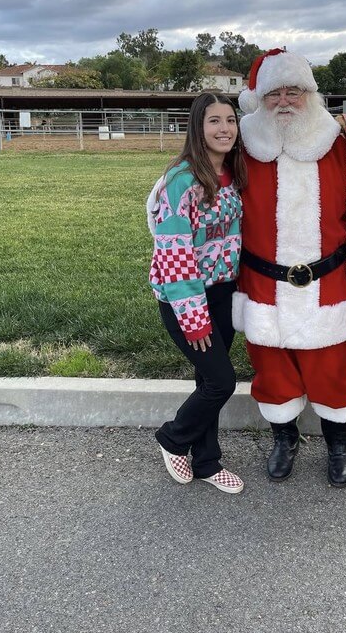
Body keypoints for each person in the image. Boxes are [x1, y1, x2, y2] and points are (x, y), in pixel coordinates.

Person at [234, 49, 346, 487]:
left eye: (294, 92)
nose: (284, 101)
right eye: (274, 93)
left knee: (334, 370)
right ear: (259, 99)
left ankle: (338, 444)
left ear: (310, 93)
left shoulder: (340, 141)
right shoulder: (242, 142)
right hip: (263, 282)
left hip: (329, 282)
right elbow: (204, 177)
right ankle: (284, 438)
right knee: (273, 368)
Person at [146, 92, 247, 494]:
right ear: (198, 128)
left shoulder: (234, 174)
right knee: (221, 382)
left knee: (206, 379)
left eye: (230, 121)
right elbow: (174, 253)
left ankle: (207, 461)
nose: (224, 129)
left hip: (224, 292)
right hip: (187, 300)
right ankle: (173, 439)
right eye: (214, 121)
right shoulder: (182, 181)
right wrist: (193, 318)